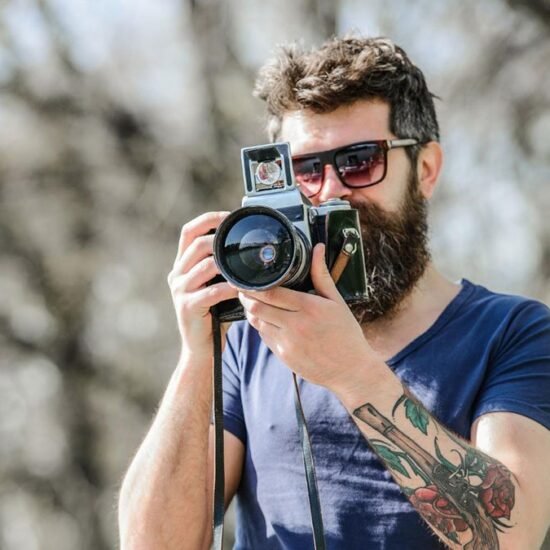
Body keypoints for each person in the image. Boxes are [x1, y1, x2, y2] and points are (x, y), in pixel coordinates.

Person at [118, 36, 550, 549]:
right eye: (306, 170)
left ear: (426, 169)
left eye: (360, 161)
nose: (331, 190)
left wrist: (352, 372)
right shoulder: (251, 339)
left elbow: (510, 537)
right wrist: (197, 356)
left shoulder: (515, 333)